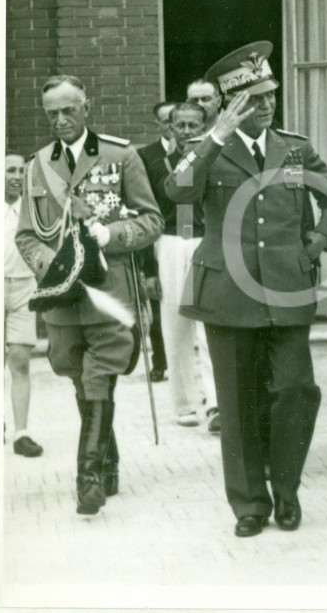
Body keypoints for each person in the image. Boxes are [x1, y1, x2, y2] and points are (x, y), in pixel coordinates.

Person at [165, 41, 327, 538]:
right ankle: (250, 504)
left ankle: (287, 490)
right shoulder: (205, 151)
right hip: (227, 293)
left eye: (270, 95)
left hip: (287, 289)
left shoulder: (295, 148)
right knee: (239, 401)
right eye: (256, 98)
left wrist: (319, 240)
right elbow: (177, 191)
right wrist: (213, 139)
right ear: (231, 104)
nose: (267, 105)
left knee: (295, 390)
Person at [16, 75, 164, 515]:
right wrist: (51, 262)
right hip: (63, 296)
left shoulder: (121, 155)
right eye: (51, 114)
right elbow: (27, 236)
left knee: (100, 376)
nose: (60, 120)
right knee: (79, 377)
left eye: (68, 110)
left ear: (86, 107)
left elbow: (151, 220)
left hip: (108, 291)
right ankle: (109, 458)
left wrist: (112, 233)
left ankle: (89, 477)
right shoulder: (36, 166)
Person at [138, 102, 219, 431]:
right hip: (170, 241)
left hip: (204, 238)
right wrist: (148, 269)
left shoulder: (215, 157)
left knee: (211, 324)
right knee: (174, 323)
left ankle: (215, 404)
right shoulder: (151, 160)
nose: (187, 131)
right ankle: (184, 403)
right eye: (180, 125)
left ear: (204, 126)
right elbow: (144, 210)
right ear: (169, 127)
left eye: (194, 125)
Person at [4, 153, 44, 458]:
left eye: (21, 171)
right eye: (10, 170)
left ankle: (21, 432)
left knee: (19, 360)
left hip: (23, 288)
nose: (17, 176)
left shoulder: (32, 210)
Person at [136, 102, 175, 383]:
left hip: (191, 234)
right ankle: (160, 361)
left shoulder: (199, 149)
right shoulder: (146, 156)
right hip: (159, 236)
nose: (173, 125)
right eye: (166, 120)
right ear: (158, 124)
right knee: (158, 300)